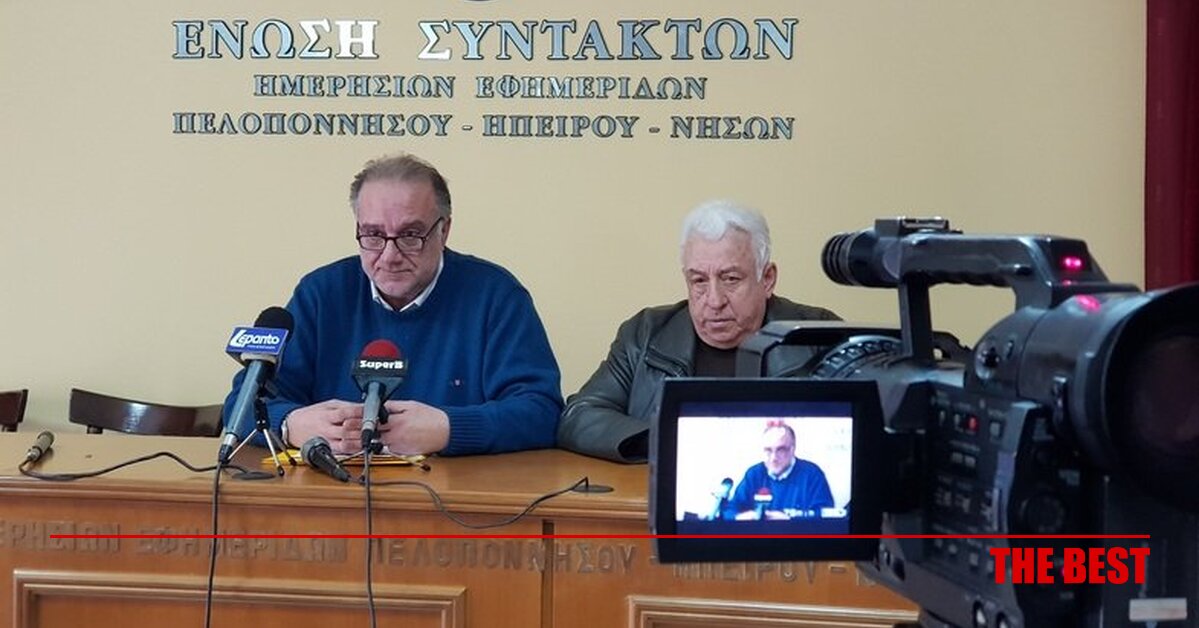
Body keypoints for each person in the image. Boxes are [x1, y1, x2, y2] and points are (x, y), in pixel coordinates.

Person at [223, 153, 562, 455]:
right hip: (333, 493)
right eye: (373, 235)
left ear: (444, 231)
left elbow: (541, 412)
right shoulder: (321, 294)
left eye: (410, 236)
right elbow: (242, 404)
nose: (389, 256)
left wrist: (449, 429)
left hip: (458, 497)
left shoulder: (496, 296)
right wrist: (290, 423)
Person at [557, 200, 840, 463]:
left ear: (767, 279)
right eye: (699, 281)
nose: (714, 301)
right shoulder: (646, 333)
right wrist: (670, 439)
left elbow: (855, 430)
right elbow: (578, 416)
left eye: (730, 279)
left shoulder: (819, 336)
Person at [728, 420, 834, 520]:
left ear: (793, 449)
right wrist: (741, 517)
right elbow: (729, 511)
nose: (773, 458)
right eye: (768, 450)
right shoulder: (754, 474)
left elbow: (825, 515)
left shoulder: (812, 474)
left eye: (780, 450)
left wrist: (789, 521)